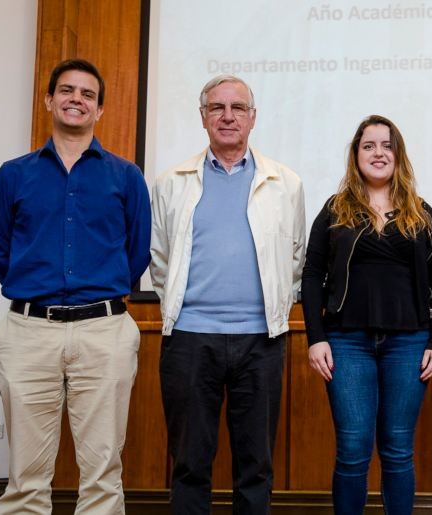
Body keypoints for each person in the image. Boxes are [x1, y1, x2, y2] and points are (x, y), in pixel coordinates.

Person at [0, 58, 151, 514]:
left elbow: (136, 253)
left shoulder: (126, 176)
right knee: (26, 476)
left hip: (104, 332)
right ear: (48, 100)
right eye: (67, 90)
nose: (76, 98)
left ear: (99, 110)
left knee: (102, 472)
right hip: (27, 334)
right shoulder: (13, 175)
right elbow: (0, 250)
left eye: (88, 94)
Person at [149, 74, 305, 514]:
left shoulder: (286, 183)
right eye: (217, 108)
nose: (228, 116)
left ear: (253, 118)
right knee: (189, 464)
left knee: (256, 466)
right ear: (203, 118)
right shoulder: (171, 182)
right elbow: (159, 258)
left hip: (261, 342)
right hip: (189, 340)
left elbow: (296, 255)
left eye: (238, 108)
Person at [301, 115, 432, 515]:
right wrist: (316, 337)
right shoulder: (335, 210)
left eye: (387, 145)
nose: (378, 153)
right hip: (347, 343)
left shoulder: (422, 213)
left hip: (409, 343)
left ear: (398, 155)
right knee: (352, 448)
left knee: (398, 449)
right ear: (356, 155)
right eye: (369, 146)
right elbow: (312, 274)